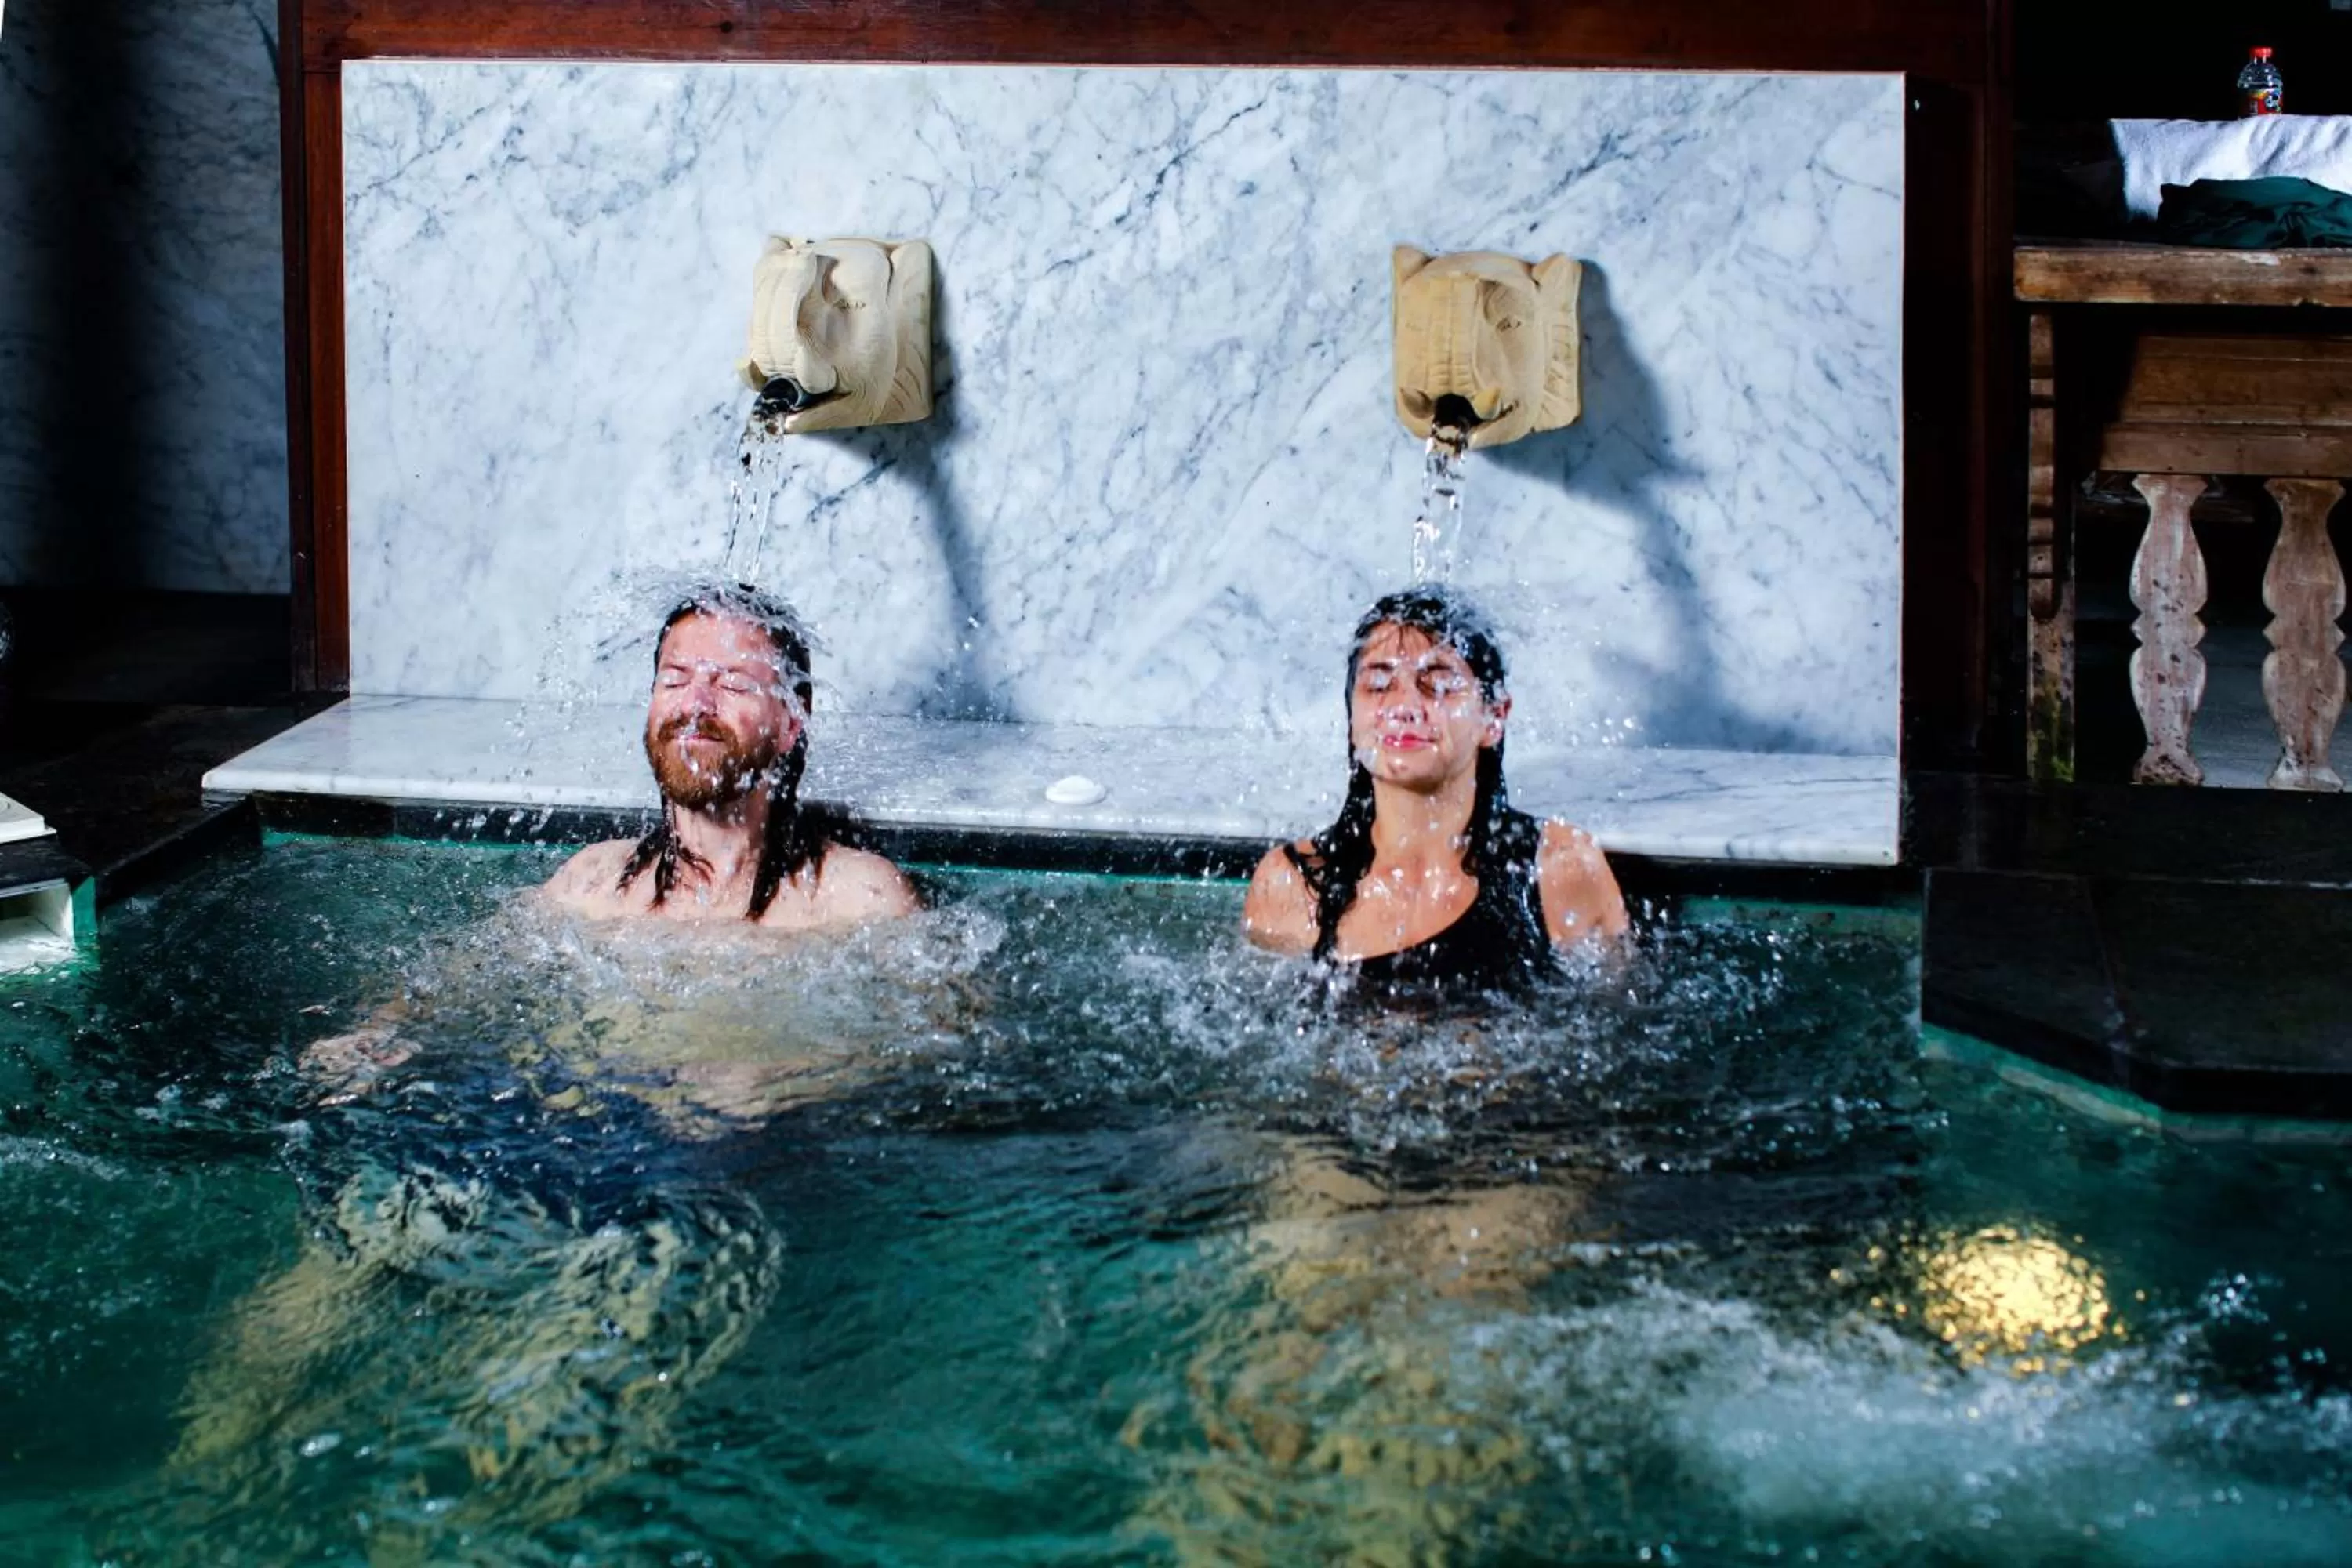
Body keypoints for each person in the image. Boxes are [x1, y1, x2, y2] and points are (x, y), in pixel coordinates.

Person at [1243, 586, 1627, 985]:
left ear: (1493, 717)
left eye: (1439, 684)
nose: (1404, 707)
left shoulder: (1558, 869)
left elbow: (1619, 1024)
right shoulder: (1295, 884)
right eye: (1378, 685)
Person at [543, 583, 920, 927]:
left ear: (791, 721)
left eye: (734, 685)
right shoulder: (587, 886)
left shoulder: (862, 903)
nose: (694, 705)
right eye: (675, 679)